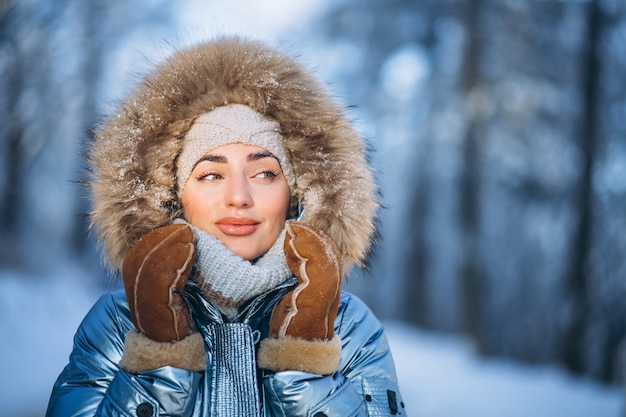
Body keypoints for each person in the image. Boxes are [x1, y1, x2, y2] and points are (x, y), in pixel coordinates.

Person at [46, 36, 406, 417]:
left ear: (297, 194)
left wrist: (305, 361)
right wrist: (160, 355)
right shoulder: (121, 323)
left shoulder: (347, 325)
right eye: (210, 175)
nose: (238, 196)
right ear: (173, 196)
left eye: (265, 173)